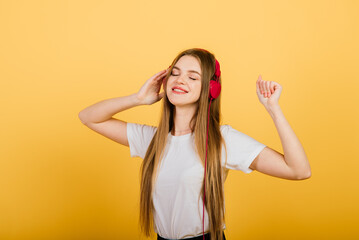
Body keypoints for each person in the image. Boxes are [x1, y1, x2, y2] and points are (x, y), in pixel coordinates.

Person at [78, 48, 311, 240]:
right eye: (175, 73)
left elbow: (298, 170)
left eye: (192, 76)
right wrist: (138, 99)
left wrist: (274, 109)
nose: (179, 80)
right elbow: (88, 117)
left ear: (211, 89)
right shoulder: (152, 139)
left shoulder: (223, 140)